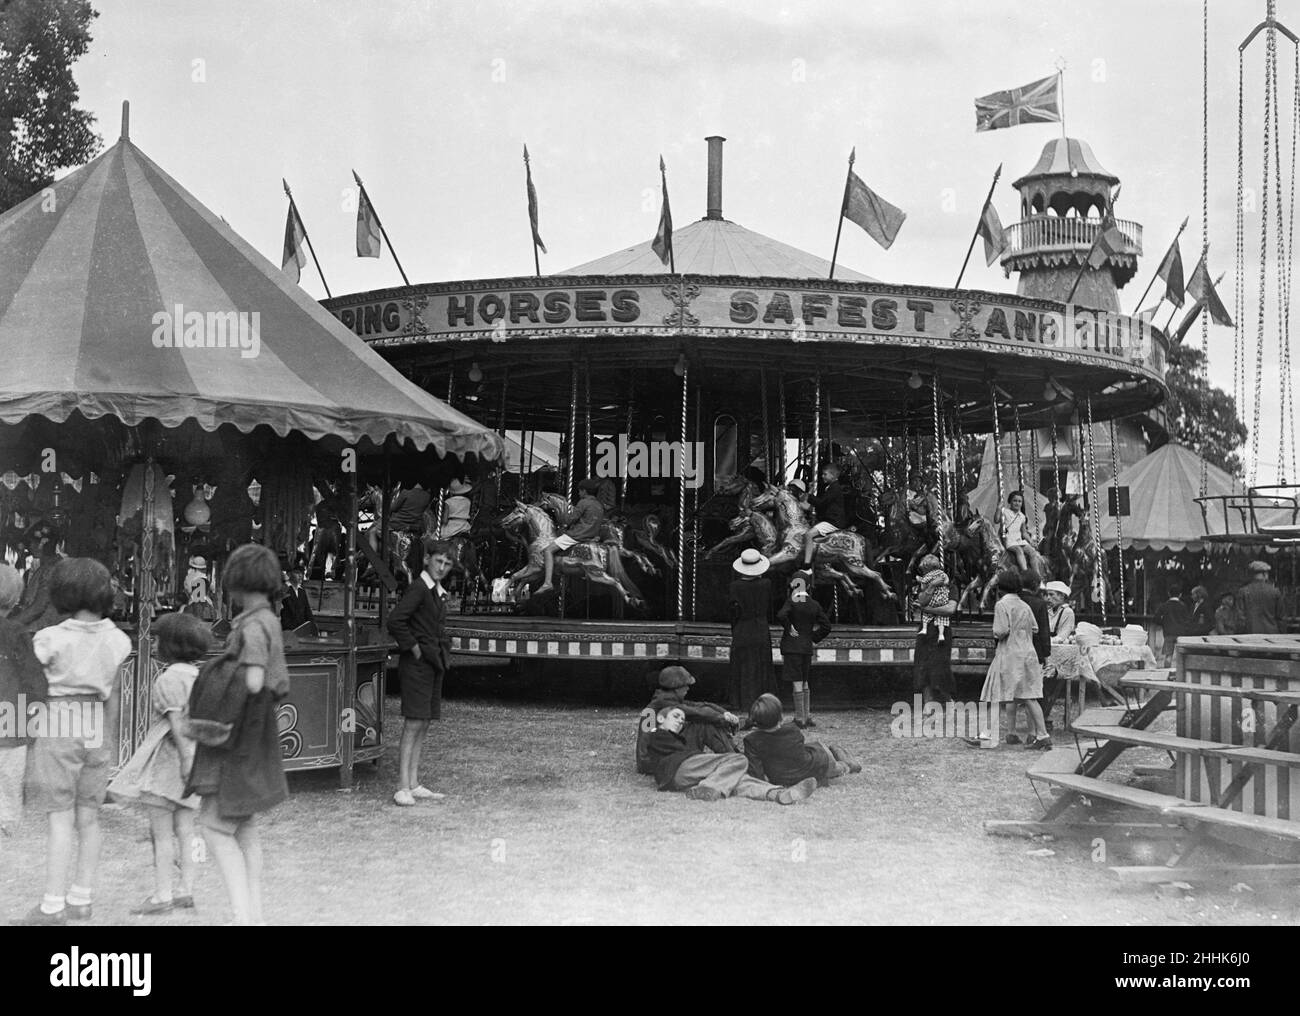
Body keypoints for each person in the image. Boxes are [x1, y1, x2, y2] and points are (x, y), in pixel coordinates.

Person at [13, 558, 131, 925]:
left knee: (60, 819)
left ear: (61, 594)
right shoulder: (118, 640)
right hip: (97, 724)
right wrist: (110, 741)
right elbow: (114, 694)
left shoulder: (50, 638)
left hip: (60, 721)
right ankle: (82, 898)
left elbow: (32, 685)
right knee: (88, 818)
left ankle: (52, 905)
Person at [186, 543, 290, 926]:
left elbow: (254, 679)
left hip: (241, 729)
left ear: (238, 582)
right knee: (244, 825)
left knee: (214, 827)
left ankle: (242, 917)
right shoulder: (269, 619)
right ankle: (255, 914)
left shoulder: (252, 625)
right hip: (258, 729)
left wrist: (216, 676)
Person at [107, 612, 211, 915]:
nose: (153, 644)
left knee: (162, 834)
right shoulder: (200, 677)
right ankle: (186, 890)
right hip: (196, 762)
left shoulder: (169, 679)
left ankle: (162, 895)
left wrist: (185, 760)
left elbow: (176, 725)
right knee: (187, 830)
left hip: (167, 764)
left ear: (171, 644)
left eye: (157, 639)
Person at [386, 539, 454, 807]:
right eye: (438, 561)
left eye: (447, 564)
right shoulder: (418, 588)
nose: (442, 567)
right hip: (416, 665)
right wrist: (413, 648)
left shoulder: (435, 591)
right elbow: (395, 621)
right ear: (427, 559)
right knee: (413, 722)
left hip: (432, 664)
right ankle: (402, 786)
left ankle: (413, 784)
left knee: (424, 721)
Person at [643, 706, 816, 805]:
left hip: (683, 778)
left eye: (682, 719)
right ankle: (709, 786)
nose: (680, 721)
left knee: (737, 780)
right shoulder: (656, 733)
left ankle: (778, 794)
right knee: (738, 759)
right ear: (660, 718)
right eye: (675, 716)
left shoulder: (680, 738)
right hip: (678, 768)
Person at [969, 570, 1050, 750]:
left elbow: (1001, 631)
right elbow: (1035, 628)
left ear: (1000, 587)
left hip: (1009, 653)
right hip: (1027, 653)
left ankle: (986, 734)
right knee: (1030, 696)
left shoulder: (1001, 605)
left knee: (996, 694)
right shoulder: (1024, 605)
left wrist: (1000, 632)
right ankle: (1043, 735)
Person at [0, 565, 46, 837]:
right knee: (9, 773)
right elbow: (33, 678)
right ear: (15, 598)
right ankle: (6, 821)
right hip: (12, 717)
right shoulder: (17, 632)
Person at [636, 665, 740, 775]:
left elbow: (702, 705)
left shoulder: (664, 700)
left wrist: (724, 713)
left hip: (658, 756)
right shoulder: (665, 704)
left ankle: (735, 756)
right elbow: (698, 713)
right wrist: (722, 718)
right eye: (685, 686)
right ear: (676, 688)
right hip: (655, 762)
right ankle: (734, 760)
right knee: (704, 725)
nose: (687, 689)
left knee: (708, 719)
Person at [742, 693, 861, 787]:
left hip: (782, 778)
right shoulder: (793, 729)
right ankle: (846, 764)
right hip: (814, 768)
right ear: (780, 717)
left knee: (820, 755)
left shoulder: (751, 740)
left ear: (755, 721)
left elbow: (756, 774)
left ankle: (838, 758)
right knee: (833, 764)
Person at [776, 570, 831, 728]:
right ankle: (806, 716)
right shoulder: (814, 604)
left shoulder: (791, 601)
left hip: (792, 647)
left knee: (797, 682)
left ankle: (800, 719)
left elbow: (781, 615)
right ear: (807, 586)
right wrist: (813, 637)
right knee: (805, 681)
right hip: (806, 647)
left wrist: (789, 627)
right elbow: (827, 626)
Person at [536, 478, 605, 595]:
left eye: (580, 491)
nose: (579, 493)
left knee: (548, 550)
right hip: (592, 535)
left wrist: (558, 511)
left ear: (584, 491)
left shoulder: (583, 502)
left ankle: (547, 582)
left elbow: (569, 520)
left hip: (578, 535)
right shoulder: (599, 504)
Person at [728, 549, 776, 715]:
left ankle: (742, 702)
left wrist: (735, 628)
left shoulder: (734, 586)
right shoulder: (766, 584)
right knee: (762, 666)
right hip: (761, 628)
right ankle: (764, 703)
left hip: (742, 628)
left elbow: (733, 612)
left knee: (742, 667)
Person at [912, 554, 957, 705]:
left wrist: (927, 609)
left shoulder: (950, 586)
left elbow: (950, 609)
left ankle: (947, 699)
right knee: (923, 664)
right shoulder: (925, 586)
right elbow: (922, 600)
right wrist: (931, 586)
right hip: (926, 629)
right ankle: (928, 701)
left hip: (942, 629)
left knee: (941, 665)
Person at [802, 464, 847, 567]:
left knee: (809, 534)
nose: (822, 476)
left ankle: (807, 563)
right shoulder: (830, 487)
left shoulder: (835, 488)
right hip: (829, 519)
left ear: (833, 475)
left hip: (833, 521)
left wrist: (809, 496)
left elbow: (822, 503)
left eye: (825, 474)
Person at [1236, 561, 1283, 634]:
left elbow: (1240, 618)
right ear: (1265, 574)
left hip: (1250, 634)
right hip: (1272, 634)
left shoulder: (1243, 592)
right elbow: (1280, 618)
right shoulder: (1275, 592)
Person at [1153, 582, 1193, 667]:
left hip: (1168, 633)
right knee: (1181, 656)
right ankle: (1180, 673)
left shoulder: (1164, 606)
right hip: (1181, 634)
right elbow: (1188, 620)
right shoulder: (1183, 606)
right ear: (1180, 594)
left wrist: (1164, 623)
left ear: (1169, 594)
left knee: (1168, 656)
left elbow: (1156, 619)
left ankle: (1166, 671)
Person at [1000, 491, 1030, 573]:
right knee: (1019, 550)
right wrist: (998, 509)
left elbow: (1024, 532)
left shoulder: (1022, 516)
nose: (1017, 503)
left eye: (1019, 501)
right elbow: (996, 520)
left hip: (1019, 540)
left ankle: (1037, 575)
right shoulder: (1005, 512)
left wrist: (1031, 541)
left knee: (1033, 552)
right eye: (1015, 501)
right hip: (1009, 540)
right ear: (1010, 501)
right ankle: (1025, 572)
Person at [280, 566, 314, 632]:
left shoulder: (302, 591)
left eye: (302, 573)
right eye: (297, 573)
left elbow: (307, 610)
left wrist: (312, 626)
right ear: (289, 574)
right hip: (287, 629)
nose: (300, 575)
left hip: (301, 629)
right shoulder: (283, 589)